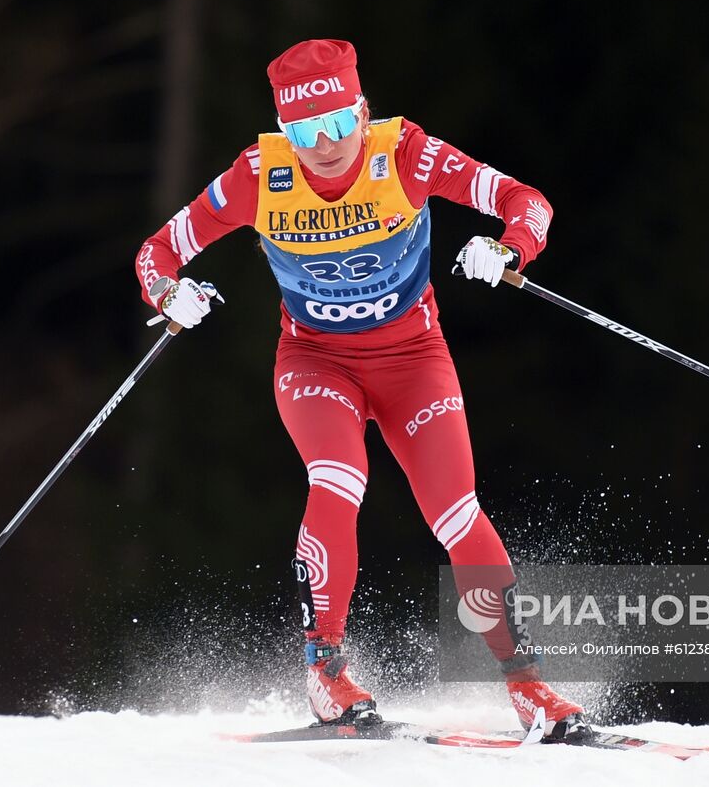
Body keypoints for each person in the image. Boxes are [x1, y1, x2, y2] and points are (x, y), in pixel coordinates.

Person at [134, 38, 584, 737]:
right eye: (303, 131)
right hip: (316, 362)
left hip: (414, 360)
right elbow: (157, 251)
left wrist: (508, 248)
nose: (324, 145)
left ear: (363, 112)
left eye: (339, 123)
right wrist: (170, 293)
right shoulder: (258, 176)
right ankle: (325, 673)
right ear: (283, 131)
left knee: (456, 512)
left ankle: (528, 687)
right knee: (339, 478)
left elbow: (527, 202)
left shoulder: (407, 154)